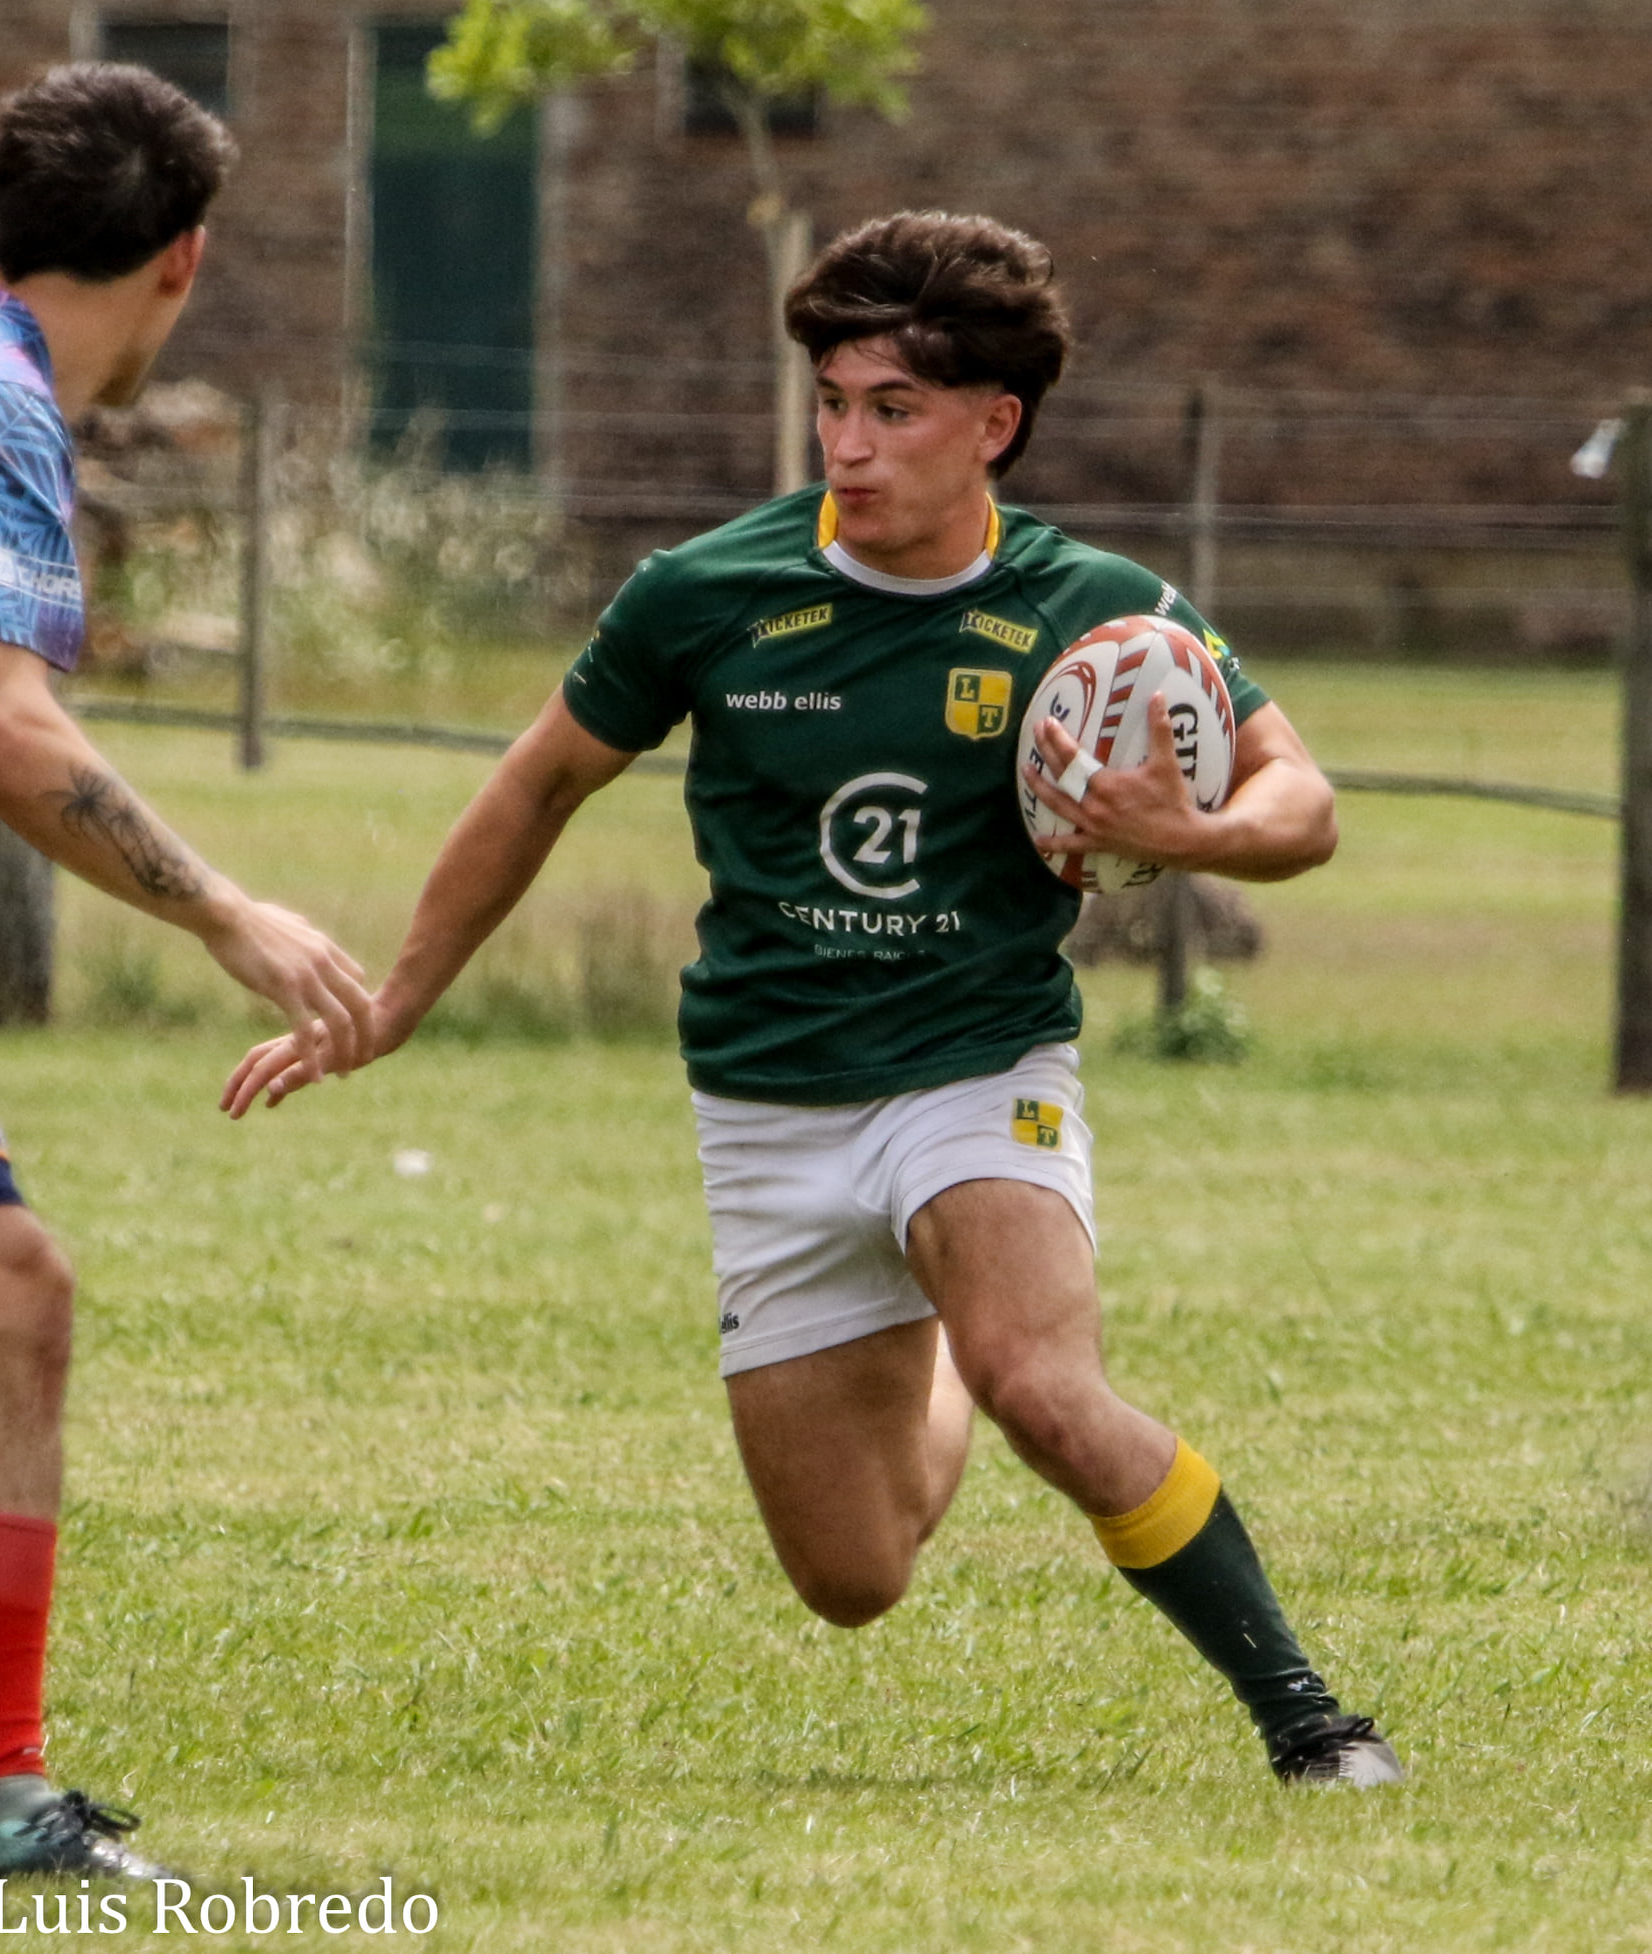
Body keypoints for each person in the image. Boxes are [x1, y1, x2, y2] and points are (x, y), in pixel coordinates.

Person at [226, 211, 1401, 1788]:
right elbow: (537, 785)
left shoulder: (1096, 607)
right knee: (853, 1574)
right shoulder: (705, 592)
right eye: (833, 403)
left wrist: (1192, 836)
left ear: (994, 422)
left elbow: (1300, 802)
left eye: (892, 409)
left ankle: (1309, 1719)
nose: (846, 446)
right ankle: (939, 1351)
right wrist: (397, 998)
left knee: (1045, 1386)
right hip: (767, 1100)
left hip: (976, 1065)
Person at [0, 64, 374, 1878]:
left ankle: (1, 1787)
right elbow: (6, 726)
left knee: (9, 1292)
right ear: (185, 258)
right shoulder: (2, 401)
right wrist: (225, 908)